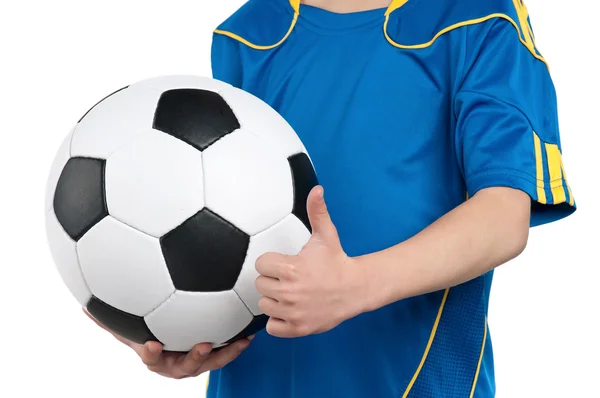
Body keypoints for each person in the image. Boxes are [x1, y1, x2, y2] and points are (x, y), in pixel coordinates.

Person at [86, 0, 577, 396]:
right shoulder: (248, 33)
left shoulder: (480, 18)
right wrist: (181, 325)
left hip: (412, 383)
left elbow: (503, 216)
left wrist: (355, 285)